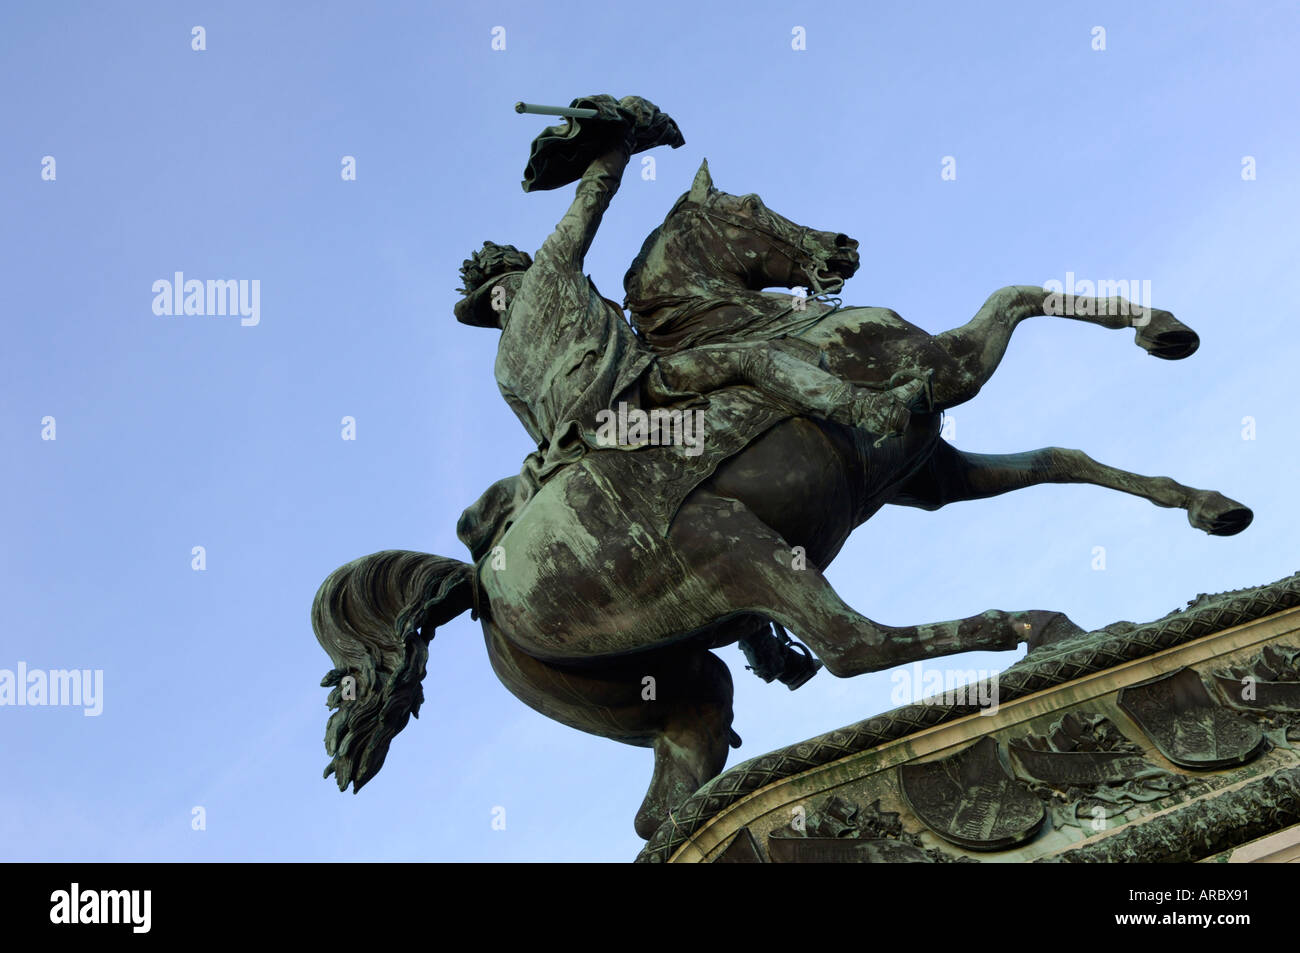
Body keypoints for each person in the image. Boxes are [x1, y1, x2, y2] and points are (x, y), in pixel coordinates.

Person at [454, 96, 930, 552]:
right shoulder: (548, 274)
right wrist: (619, 144)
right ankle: (869, 410)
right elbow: (591, 198)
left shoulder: (502, 368)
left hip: (606, 438)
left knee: (706, 501)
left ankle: (759, 636)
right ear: (515, 278)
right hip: (641, 391)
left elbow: (543, 433)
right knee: (751, 359)